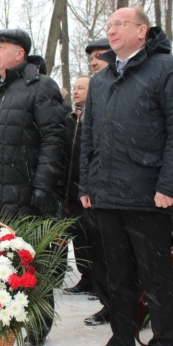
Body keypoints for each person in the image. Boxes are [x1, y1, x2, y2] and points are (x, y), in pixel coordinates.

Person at [79, 7, 173, 346]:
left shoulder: (167, 68)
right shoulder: (101, 79)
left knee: (156, 276)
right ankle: (121, 341)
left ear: (142, 30)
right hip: (107, 193)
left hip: (148, 193)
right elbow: (89, 137)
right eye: (109, 25)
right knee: (117, 275)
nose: (112, 31)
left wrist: (169, 185)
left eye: (120, 25)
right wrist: (86, 183)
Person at [0, 29, 66, 346]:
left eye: (1, 47)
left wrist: (43, 186)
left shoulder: (41, 87)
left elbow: (54, 140)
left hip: (25, 193)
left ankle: (37, 321)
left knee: (29, 260)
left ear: (19, 53)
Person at [62, 75, 110, 327]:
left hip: (93, 192)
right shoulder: (71, 119)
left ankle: (110, 300)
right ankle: (89, 280)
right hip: (73, 191)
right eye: (75, 87)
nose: (76, 90)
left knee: (102, 249)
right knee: (82, 243)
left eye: (82, 87)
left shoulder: (98, 117)